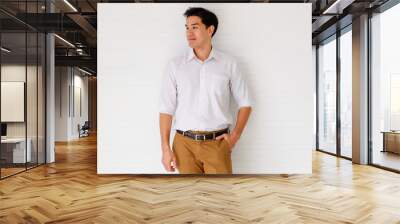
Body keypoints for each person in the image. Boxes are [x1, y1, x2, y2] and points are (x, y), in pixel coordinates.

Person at [159, 7, 252, 174]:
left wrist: (234, 138)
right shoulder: (175, 66)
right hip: (183, 145)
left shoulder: (229, 64)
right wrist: (166, 149)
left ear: (210, 30)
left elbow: (245, 104)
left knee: (219, 196)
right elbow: (166, 109)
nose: (189, 33)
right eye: (187, 28)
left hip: (217, 144)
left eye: (195, 27)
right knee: (189, 197)